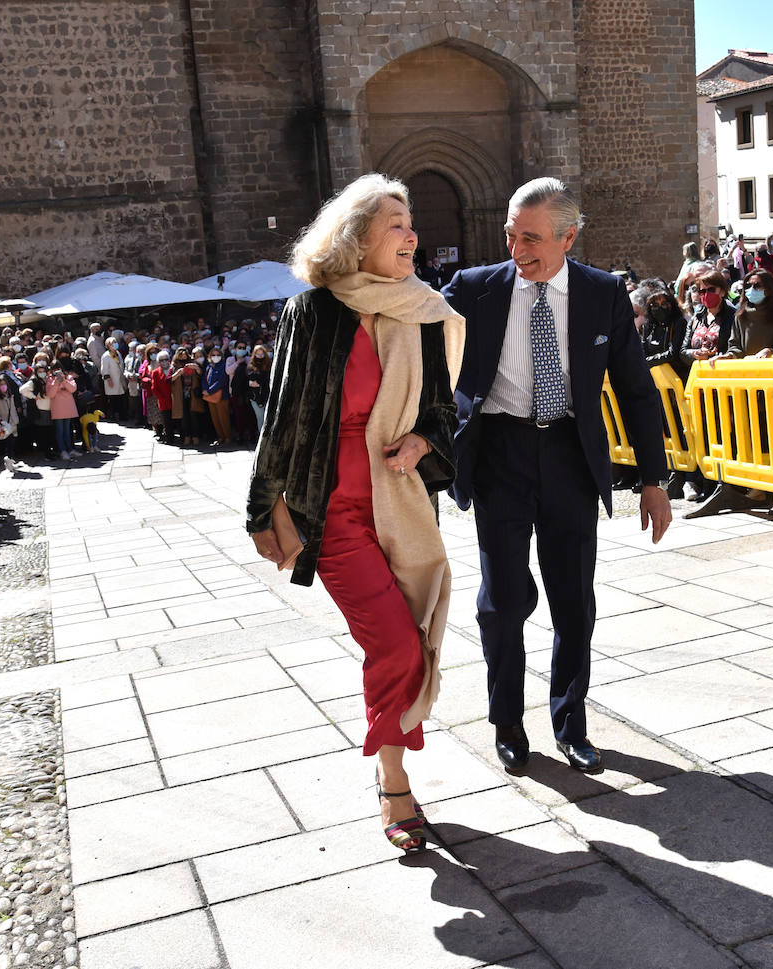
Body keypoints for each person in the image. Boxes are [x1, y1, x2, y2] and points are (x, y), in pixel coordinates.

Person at [247, 173, 463, 854]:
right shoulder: (311, 313)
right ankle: (394, 781)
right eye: (395, 222)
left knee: (409, 635)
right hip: (331, 508)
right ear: (357, 236)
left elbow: (442, 409)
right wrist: (263, 507)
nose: (411, 234)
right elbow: (282, 416)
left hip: (399, 503)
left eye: (410, 223)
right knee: (395, 644)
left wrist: (425, 438)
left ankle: (385, 760)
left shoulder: (423, 310)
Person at [443, 176, 670, 777]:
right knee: (502, 603)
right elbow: (412, 331)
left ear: (569, 236)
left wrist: (654, 479)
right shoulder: (473, 289)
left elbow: (636, 388)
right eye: (511, 236)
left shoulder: (601, 293)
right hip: (498, 456)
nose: (518, 250)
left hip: (571, 456)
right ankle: (508, 724)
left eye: (532, 239)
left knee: (574, 602)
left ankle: (571, 724)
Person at [45, 359, 79, 460]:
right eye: (55, 369)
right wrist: (56, 383)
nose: (57, 371)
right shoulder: (50, 379)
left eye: (59, 369)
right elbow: (50, 394)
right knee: (60, 430)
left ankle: (70, 449)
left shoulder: (68, 377)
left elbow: (72, 389)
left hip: (68, 407)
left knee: (68, 430)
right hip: (58, 408)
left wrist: (63, 381)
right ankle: (62, 450)